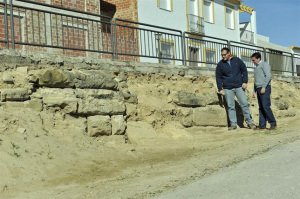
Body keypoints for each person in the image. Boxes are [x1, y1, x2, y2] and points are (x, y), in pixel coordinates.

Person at [215, 47, 256, 130]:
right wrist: (220, 89)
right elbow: (218, 77)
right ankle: (233, 124)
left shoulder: (237, 60)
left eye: (224, 54)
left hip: (239, 86)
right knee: (230, 107)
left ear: (229, 53)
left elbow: (244, 70)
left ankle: (250, 122)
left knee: (244, 104)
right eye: (222, 55)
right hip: (227, 88)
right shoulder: (220, 64)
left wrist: (245, 82)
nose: (223, 56)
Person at [251, 52, 277, 130]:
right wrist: (254, 91)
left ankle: (273, 123)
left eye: (254, 60)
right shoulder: (257, 67)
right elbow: (256, 81)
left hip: (264, 88)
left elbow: (268, 76)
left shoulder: (264, 65)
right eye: (252, 60)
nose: (253, 62)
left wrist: (264, 87)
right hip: (258, 88)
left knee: (266, 106)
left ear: (259, 59)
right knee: (261, 107)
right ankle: (262, 125)